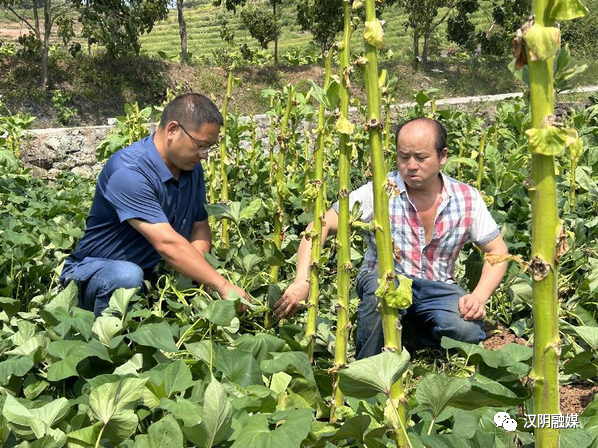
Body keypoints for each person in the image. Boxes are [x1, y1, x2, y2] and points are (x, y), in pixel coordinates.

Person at [273, 117, 508, 358]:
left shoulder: (466, 197)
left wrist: (479, 296)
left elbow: (497, 251)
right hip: (384, 278)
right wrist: (303, 279)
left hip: (437, 287)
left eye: (421, 157)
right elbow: (318, 227)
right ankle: (369, 367)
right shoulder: (379, 191)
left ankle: (410, 333)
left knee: (466, 330)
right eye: (403, 157)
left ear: (443, 156)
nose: (411, 165)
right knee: (382, 290)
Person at [60, 93, 250, 316]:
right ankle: (107, 345)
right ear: (172, 130)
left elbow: (199, 226)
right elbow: (167, 244)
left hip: (152, 276)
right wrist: (223, 285)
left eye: (209, 147)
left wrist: (201, 275)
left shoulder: (191, 167)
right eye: (201, 145)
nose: (204, 155)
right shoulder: (129, 172)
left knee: (189, 277)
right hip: (97, 273)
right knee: (127, 277)